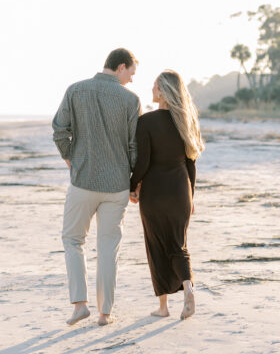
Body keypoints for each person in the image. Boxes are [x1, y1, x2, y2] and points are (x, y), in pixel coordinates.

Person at [53, 48, 141, 326]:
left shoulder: (76, 90)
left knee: (72, 240)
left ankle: (80, 304)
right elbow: (134, 146)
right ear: (121, 67)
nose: (131, 80)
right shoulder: (130, 100)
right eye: (131, 74)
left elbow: (59, 129)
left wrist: (70, 157)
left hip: (83, 180)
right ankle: (105, 313)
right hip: (116, 185)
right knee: (108, 247)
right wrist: (134, 181)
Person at [130, 69, 205, 320]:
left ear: (162, 91)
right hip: (181, 191)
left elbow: (142, 163)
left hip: (155, 192)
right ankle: (188, 289)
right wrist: (191, 195)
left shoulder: (147, 122)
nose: (151, 90)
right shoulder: (187, 121)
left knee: (156, 245)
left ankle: (163, 308)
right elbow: (191, 163)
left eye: (154, 86)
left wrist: (132, 185)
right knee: (178, 245)